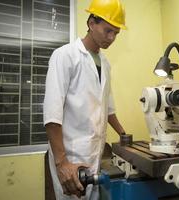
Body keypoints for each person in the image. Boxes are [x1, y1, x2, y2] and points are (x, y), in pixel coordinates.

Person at [43, 0, 127, 199]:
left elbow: (108, 107)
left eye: (116, 33)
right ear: (91, 23)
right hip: (70, 156)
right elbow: (52, 114)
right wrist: (62, 164)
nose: (112, 37)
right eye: (108, 31)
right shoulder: (65, 56)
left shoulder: (105, 63)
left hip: (95, 154)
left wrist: (124, 135)